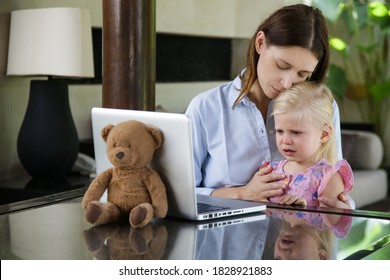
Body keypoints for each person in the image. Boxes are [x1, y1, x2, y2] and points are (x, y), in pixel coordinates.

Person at [185, 4, 351, 208]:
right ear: (260, 43)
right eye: (282, 66)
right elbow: (180, 195)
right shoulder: (206, 107)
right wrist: (241, 193)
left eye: (302, 74)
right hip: (226, 238)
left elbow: (333, 182)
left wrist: (340, 206)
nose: (288, 83)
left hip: (301, 235)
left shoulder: (322, 106)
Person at [265, 82, 354, 207]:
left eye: (296, 132)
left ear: (324, 134)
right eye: (280, 131)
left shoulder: (328, 178)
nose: (285, 140)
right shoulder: (271, 171)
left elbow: (329, 224)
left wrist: (304, 211)